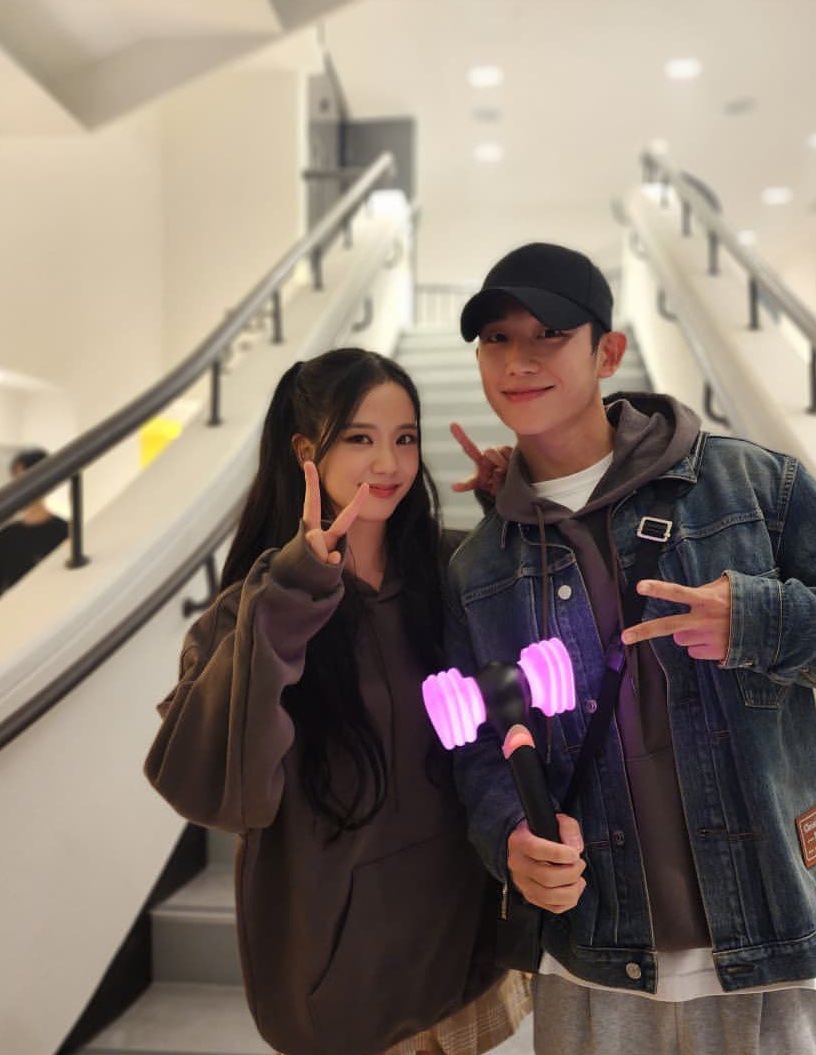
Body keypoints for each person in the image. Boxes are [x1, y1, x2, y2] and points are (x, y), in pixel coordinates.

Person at [444, 243, 816, 1055]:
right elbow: (478, 753)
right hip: (594, 958)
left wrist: (761, 620)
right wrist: (508, 841)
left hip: (774, 938)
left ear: (608, 352)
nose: (518, 360)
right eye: (496, 338)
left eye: (549, 334)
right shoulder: (482, 565)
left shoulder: (746, 486)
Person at [144, 348, 529, 1055]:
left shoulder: (446, 574)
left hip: (457, 954)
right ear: (304, 451)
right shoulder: (253, 610)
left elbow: (533, 670)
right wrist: (291, 598)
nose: (388, 462)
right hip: (342, 991)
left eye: (404, 437)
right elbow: (218, 792)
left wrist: (512, 511)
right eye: (360, 437)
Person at [0, 447, 69, 621]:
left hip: (56, 622)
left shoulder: (67, 532)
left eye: (24, 480)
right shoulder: (3, 538)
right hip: (14, 625)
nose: (18, 488)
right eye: (16, 480)